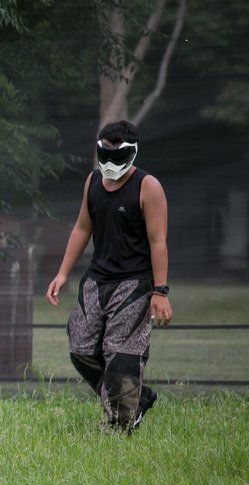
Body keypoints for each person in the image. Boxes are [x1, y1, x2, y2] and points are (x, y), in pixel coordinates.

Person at [46, 119, 173, 432]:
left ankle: (120, 423)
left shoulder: (149, 187)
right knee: (81, 347)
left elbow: (158, 242)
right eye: (105, 155)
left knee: (121, 353)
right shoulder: (92, 182)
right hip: (97, 279)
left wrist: (160, 291)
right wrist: (62, 273)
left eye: (116, 156)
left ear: (130, 152)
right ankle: (137, 397)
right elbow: (82, 228)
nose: (109, 163)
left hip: (135, 282)